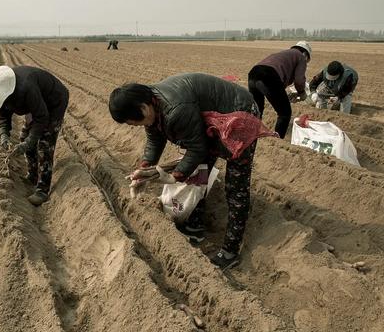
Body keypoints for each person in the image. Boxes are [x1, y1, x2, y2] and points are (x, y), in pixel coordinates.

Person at [109, 73, 264, 270]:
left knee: (236, 186)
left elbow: (197, 148)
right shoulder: (152, 106)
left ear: (142, 108)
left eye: (134, 122)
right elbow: (155, 140)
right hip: (211, 121)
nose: (137, 126)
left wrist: (174, 176)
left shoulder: (175, 110)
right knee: (199, 171)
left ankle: (230, 251)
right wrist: (144, 172)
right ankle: (195, 225)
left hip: (238, 114)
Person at [0, 65, 69, 206]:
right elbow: (3, 115)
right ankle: (33, 175)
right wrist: (4, 134)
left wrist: (30, 142)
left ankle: (42, 189)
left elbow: (41, 117)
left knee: (44, 143)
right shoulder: (1, 92)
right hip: (36, 103)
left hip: (54, 101)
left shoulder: (24, 88)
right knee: (24, 136)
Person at [247, 41, 311, 139]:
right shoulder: (301, 57)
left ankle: (250, 134)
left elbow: (279, 82)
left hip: (253, 74)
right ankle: (277, 139)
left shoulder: (285, 54)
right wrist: (302, 93)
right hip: (268, 76)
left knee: (257, 110)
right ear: (306, 54)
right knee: (285, 113)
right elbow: (299, 80)